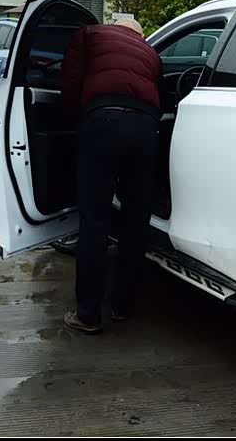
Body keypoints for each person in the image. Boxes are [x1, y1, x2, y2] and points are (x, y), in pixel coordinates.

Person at [61, 18, 162, 334]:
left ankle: (88, 315)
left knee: (95, 221)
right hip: (146, 129)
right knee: (135, 221)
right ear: (139, 35)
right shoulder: (151, 53)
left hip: (103, 121)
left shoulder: (90, 33)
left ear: (115, 27)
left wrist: (77, 124)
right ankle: (122, 305)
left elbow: (71, 83)